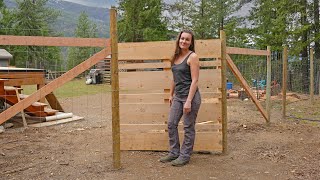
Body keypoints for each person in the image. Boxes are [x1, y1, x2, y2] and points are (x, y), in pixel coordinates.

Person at [159, 30, 201, 167]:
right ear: (179, 40)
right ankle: (174, 152)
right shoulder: (175, 57)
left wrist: (188, 100)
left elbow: (195, 81)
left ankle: (184, 156)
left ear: (191, 42)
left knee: (188, 127)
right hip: (178, 97)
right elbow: (175, 78)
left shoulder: (193, 57)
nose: (184, 41)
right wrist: (171, 95)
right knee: (171, 124)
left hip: (191, 97)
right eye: (182, 38)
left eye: (187, 39)